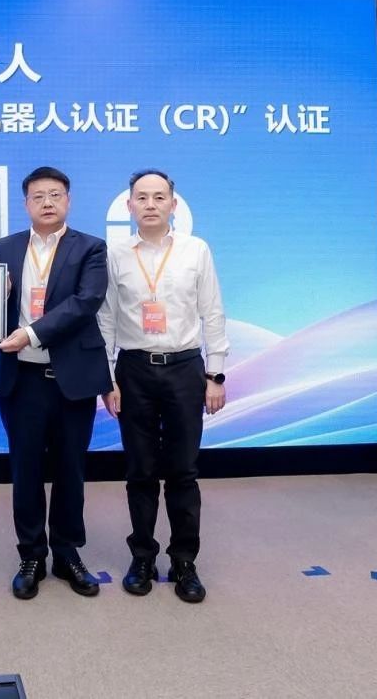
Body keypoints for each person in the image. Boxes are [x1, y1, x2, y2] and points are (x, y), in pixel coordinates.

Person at [98, 169, 229, 604]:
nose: (150, 204)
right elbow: (106, 319)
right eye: (142, 197)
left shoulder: (196, 250)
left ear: (174, 204)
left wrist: (215, 374)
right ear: (129, 206)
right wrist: (108, 379)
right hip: (134, 370)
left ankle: (184, 560)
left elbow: (212, 312)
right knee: (140, 470)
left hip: (185, 368)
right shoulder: (116, 254)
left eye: (159, 197)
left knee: (183, 471)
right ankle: (142, 557)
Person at [0, 167, 112, 599]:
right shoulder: (5, 247)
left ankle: (67, 553)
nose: (47, 202)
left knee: (70, 470)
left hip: (71, 379)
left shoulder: (91, 247)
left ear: (68, 200)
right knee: (25, 470)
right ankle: (31, 555)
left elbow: (85, 303)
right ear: (25, 203)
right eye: (38, 195)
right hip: (21, 379)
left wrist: (31, 333)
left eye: (55, 194)